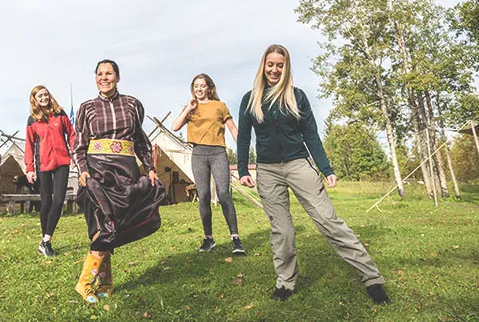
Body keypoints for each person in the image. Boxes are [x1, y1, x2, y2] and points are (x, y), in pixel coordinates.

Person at [237, 44, 390, 304]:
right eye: (270, 64)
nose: (274, 69)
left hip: (299, 164)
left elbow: (311, 135)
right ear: (263, 66)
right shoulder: (250, 99)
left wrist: (326, 168)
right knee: (282, 231)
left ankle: (372, 278)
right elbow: (243, 137)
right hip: (268, 170)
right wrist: (242, 169)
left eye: (280, 65)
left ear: (286, 68)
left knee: (329, 221)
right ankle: (285, 282)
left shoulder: (297, 96)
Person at [73, 59, 167, 304]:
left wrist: (150, 168)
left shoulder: (133, 104)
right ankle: (85, 284)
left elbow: (141, 141)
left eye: (109, 73)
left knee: (114, 225)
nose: (104, 77)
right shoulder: (86, 108)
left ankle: (105, 283)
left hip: (126, 173)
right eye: (100, 74)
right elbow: (79, 145)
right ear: (95, 78)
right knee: (101, 226)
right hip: (97, 173)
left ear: (118, 76)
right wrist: (83, 171)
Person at [172, 73, 246, 255]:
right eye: (195, 86)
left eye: (202, 86)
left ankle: (235, 239)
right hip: (198, 153)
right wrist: (188, 109)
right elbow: (175, 126)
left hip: (217, 153)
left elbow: (232, 128)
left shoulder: (220, 106)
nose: (199, 89)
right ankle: (209, 239)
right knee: (203, 195)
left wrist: (243, 149)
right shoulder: (191, 108)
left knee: (223, 193)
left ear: (209, 88)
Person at [24, 85, 76, 258]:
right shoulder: (32, 120)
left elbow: (72, 134)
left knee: (59, 200)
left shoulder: (60, 114)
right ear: (35, 99)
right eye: (40, 96)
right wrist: (29, 168)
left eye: (46, 94)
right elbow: (29, 145)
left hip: (62, 161)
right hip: (43, 164)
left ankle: (46, 240)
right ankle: (45, 242)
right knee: (45, 203)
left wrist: (75, 153)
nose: (44, 98)